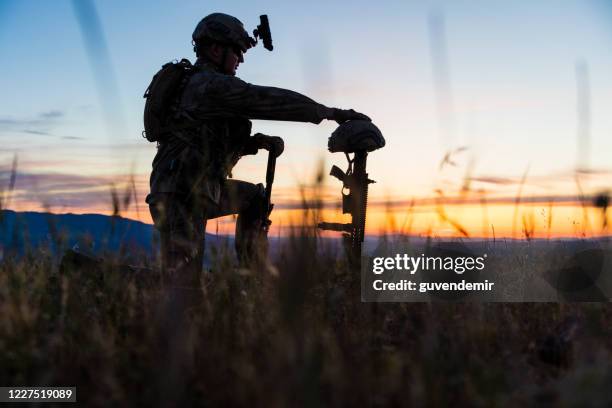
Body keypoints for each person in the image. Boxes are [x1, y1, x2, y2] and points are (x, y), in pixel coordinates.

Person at [146, 13, 370, 282]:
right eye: (238, 52)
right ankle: (127, 297)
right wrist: (330, 112)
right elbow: (266, 100)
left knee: (255, 199)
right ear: (216, 49)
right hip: (179, 195)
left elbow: (206, 138)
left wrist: (256, 143)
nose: (240, 59)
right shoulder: (209, 85)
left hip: (200, 189)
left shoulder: (203, 86)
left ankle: (252, 275)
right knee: (181, 285)